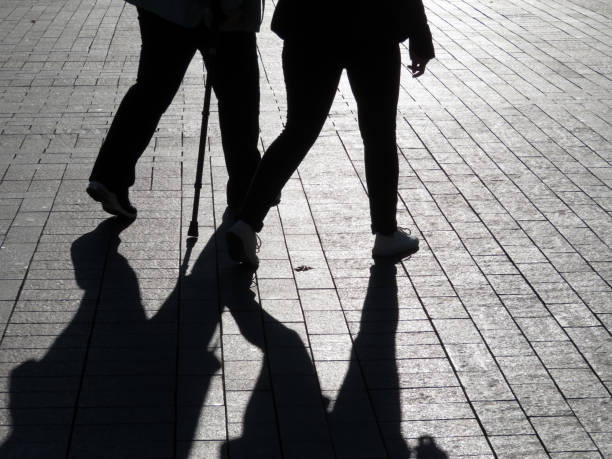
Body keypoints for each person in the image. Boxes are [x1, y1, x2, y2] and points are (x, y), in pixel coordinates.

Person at [226, 0, 435, 267]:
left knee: (298, 130)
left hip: (309, 25)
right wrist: (420, 37)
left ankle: (246, 223)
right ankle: (386, 232)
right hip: (372, 27)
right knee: (379, 133)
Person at [86, 0, 263, 219]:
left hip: (162, 6)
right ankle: (247, 191)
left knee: (152, 89)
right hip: (214, 10)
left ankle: (109, 177)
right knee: (239, 99)